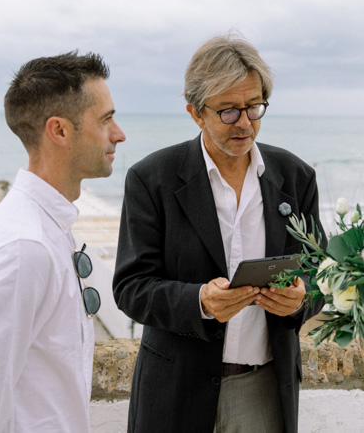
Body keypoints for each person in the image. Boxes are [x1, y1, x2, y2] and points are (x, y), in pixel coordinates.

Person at [113, 33, 323, 433]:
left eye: (254, 107)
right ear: (196, 112)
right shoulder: (150, 178)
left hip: (265, 388)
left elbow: (321, 275)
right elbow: (130, 288)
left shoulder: (296, 177)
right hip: (176, 391)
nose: (245, 123)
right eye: (228, 111)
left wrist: (300, 299)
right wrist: (200, 302)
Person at [0, 51, 126, 433]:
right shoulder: (23, 248)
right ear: (59, 130)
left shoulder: (44, 229)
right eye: (106, 119)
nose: (119, 133)